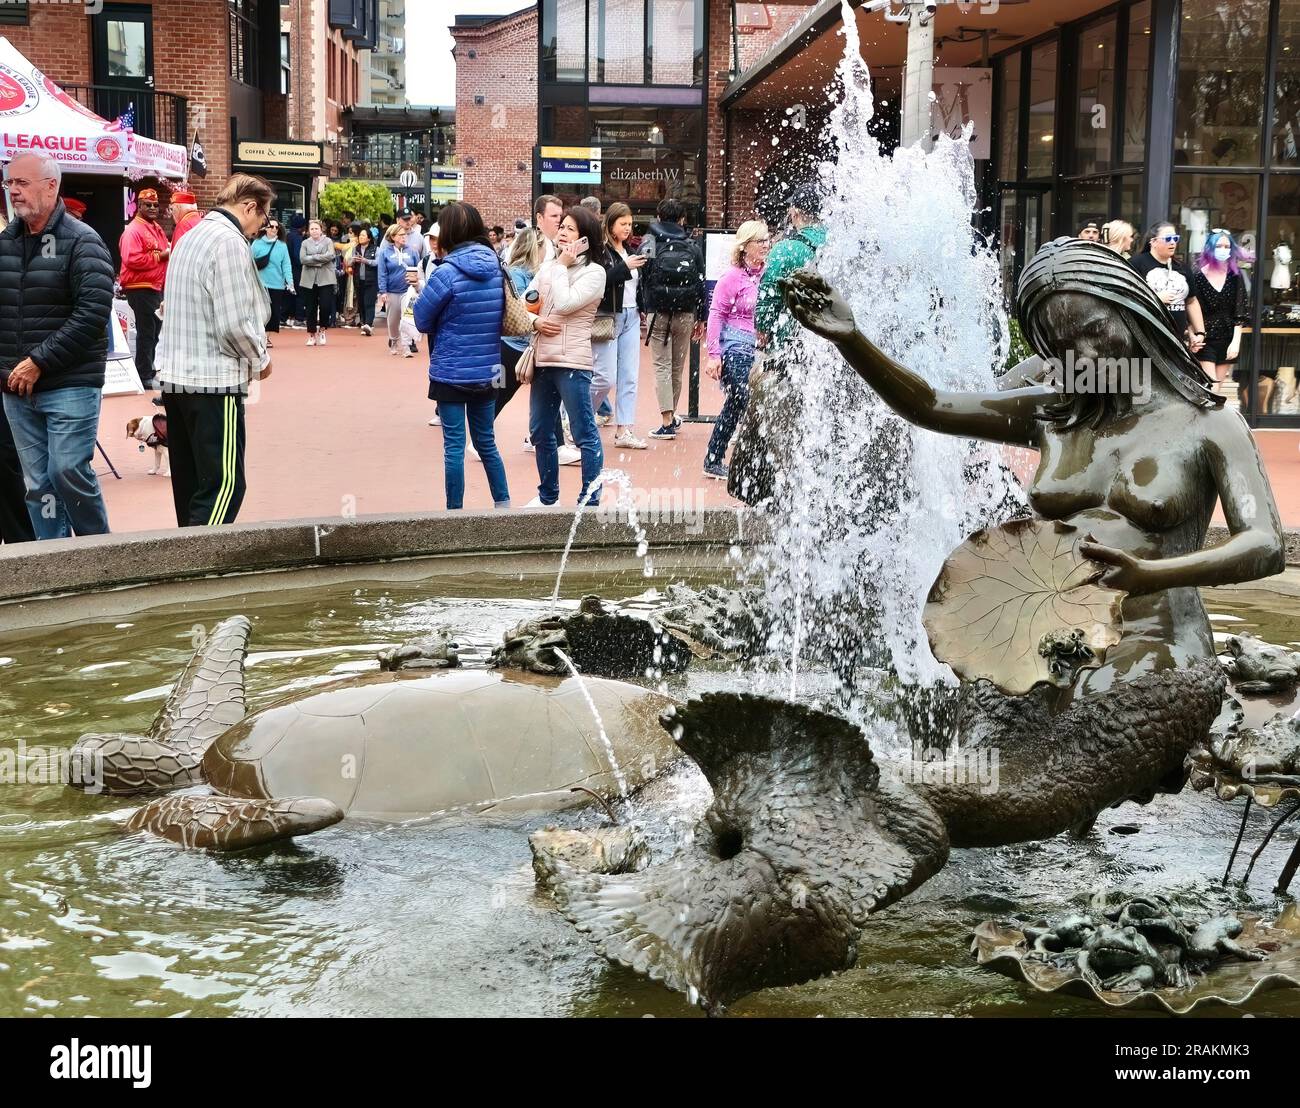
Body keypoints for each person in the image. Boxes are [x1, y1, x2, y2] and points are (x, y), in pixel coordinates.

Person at [0, 152, 114, 539]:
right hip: (16, 389)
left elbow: (92, 313)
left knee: (67, 470)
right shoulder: (6, 245)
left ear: (52, 186)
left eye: (22, 182)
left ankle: (100, 556)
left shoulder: (83, 241)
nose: (13, 191)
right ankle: (54, 564)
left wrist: (39, 361)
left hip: (69, 384)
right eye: (9, 183)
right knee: (37, 486)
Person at [155, 173, 273, 528]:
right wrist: (261, 361)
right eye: (262, 218)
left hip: (177, 379)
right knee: (224, 485)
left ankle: (187, 560)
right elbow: (235, 323)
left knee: (192, 486)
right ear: (249, 207)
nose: (258, 229)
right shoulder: (229, 242)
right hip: (212, 382)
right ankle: (198, 568)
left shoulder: (190, 237)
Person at [412, 201, 510, 511]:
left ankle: (454, 513)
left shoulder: (447, 272)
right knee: (487, 443)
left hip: (451, 371)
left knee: (454, 447)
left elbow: (422, 320)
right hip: (488, 369)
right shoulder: (496, 267)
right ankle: (503, 505)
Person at [523, 205, 607, 506]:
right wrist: (534, 321)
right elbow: (527, 302)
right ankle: (548, 497)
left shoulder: (595, 272)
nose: (563, 232)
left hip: (572, 362)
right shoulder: (550, 266)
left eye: (571, 229)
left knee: (584, 432)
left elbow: (566, 303)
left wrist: (560, 266)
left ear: (585, 238)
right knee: (541, 431)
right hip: (543, 359)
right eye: (562, 227)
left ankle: (591, 499)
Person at [702, 220, 770, 480]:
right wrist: (713, 356)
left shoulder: (766, 275)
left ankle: (743, 459)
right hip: (734, 347)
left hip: (756, 349)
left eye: (766, 240)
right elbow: (716, 315)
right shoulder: (732, 278)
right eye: (759, 241)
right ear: (745, 247)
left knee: (751, 403)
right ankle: (714, 458)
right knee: (739, 400)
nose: (765, 245)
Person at [639, 197, 706, 440]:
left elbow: (642, 276)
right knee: (677, 368)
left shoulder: (649, 241)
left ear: (658, 217)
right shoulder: (692, 244)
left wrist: (643, 306)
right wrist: (701, 317)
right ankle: (672, 416)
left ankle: (667, 420)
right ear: (682, 219)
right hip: (686, 311)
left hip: (658, 310)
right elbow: (700, 281)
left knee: (662, 366)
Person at [592, 201, 648, 449]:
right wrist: (625, 267)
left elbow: (636, 285)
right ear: (610, 224)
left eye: (630, 224)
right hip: (608, 316)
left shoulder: (629, 249)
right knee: (604, 377)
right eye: (623, 224)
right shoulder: (601, 250)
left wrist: (643, 306)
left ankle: (624, 430)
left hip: (631, 316)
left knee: (629, 375)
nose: (628, 228)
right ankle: (573, 417)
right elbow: (600, 280)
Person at [1192, 229, 1258, 404]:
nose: (1223, 249)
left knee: (1218, 390)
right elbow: (1192, 308)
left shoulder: (1235, 276)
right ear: (1210, 248)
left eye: (1227, 246)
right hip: (1205, 338)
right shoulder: (1198, 276)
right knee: (1211, 387)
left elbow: (1240, 311)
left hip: (1228, 338)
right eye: (1219, 246)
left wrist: (1236, 341)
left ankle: (1210, 426)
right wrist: (1193, 334)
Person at [118, 186, 170, 388]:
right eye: (147, 205)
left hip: (154, 286)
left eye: (155, 205)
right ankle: (143, 375)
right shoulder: (134, 230)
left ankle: (147, 370)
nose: (152, 208)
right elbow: (131, 258)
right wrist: (161, 255)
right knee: (147, 331)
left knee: (154, 330)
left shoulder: (154, 227)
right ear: (138, 206)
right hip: (141, 287)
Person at [1130, 222, 1207, 353]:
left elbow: (1191, 301)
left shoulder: (1182, 267)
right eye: (1167, 239)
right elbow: (1128, 297)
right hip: (1147, 337)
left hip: (1178, 339)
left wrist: (1199, 333)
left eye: (1175, 238)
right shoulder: (1137, 263)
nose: (1172, 243)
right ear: (1153, 242)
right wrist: (1155, 298)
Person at [379, 224, 420, 356]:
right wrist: (383, 291)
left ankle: (406, 346)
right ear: (393, 237)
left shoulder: (412, 251)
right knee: (393, 321)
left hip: (408, 291)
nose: (404, 237)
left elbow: (418, 270)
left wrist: (417, 286)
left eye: (405, 234)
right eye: (401, 235)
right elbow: (382, 273)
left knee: (407, 318)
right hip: (392, 291)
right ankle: (394, 341)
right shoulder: (385, 252)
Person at [252, 218, 294, 345]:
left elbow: (286, 265)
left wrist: (290, 282)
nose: (274, 229)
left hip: (277, 284)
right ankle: (259, 335)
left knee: (273, 311)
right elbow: (248, 261)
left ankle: (266, 337)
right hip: (260, 283)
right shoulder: (257, 243)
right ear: (265, 228)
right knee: (259, 311)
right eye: (271, 226)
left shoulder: (282, 246)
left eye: (277, 227)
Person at [299, 219, 337, 347]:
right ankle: (311, 334)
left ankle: (322, 329)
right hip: (309, 279)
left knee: (326, 305)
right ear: (308, 231)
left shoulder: (328, 241)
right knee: (311, 307)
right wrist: (320, 258)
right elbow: (303, 259)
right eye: (312, 229)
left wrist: (313, 258)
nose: (314, 231)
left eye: (316, 228)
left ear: (321, 230)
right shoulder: (305, 243)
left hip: (326, 278)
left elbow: (331, 255)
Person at [350, 226, 379, 336]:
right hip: (358, 280)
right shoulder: (355, 248)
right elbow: (349, 261)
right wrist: (352, 261)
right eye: (360, 235)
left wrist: (365, 260)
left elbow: (377, 262)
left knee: (369, 303)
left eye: (363, 235)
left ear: (369, 238)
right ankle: (364, 323)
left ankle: (368, 324)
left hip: (371, 280)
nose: (361, 237)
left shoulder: (376, 249)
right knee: (361, 303)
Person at [286, 214, 306, 326]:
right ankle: (299, 317)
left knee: (288, 293)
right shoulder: (297, 237)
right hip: (297, 269)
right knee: (300, 293)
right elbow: (298, 256)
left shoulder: (287, 235)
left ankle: (285, 316)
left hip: (288, 268)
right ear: (301, 227)